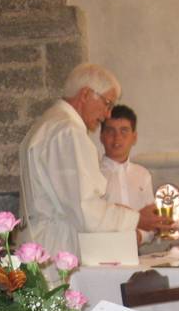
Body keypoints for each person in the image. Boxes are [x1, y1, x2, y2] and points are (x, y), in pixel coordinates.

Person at [18, 63, 168, 257]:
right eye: (107, 103)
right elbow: (85, 210)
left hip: (40, 243)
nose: (107, 114)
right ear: (86, 94)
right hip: (56, 249)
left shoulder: (48, 124)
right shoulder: (68, 132)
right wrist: (136, 219)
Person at [100, 104, 169, 246]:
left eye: (124, 131)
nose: (117, 138)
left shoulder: (142, 175)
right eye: (110, 131)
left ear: (134, 137)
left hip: (136, 254)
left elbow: (152, 221)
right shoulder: (92, 173)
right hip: (102, 251)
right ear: (101, 136)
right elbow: (92, 218)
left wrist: (139, 236)